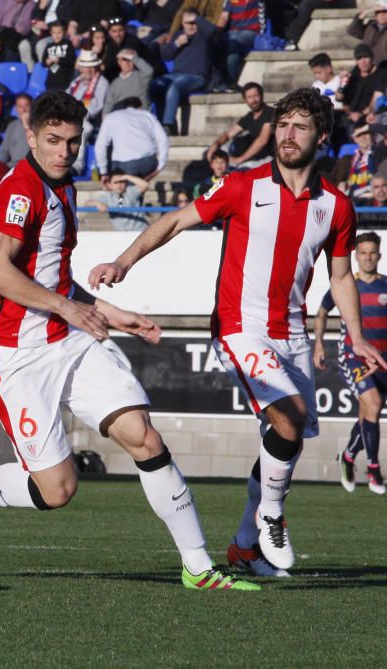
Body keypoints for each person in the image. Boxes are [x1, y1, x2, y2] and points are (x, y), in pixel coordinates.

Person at [0, 90, 257, 591]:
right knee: (57, 490)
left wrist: (108, 311)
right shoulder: (20, 191)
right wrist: (68, 307)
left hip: (69, 338)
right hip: (21, 356)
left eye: (72, 143)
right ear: (30, 136)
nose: (63, 152)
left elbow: (52, 279)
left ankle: (199, 568)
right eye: (52, 141)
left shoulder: (64, 185)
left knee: (142, 435)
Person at [88, 88, 387, 578]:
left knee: (283, 438)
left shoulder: (336, 206)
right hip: (239, 327)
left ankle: (245, 546)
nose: (288, 135)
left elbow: (341, 276)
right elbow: (176, 221)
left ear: (322, 137)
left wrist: (354, 337)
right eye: (283, 124)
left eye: (300, 126)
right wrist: (124, 261)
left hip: (289, 332)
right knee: (288, 422)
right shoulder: (242, 185)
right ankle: (272, 515)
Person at [313, 232, 387, 496]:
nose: (368, 257)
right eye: (363, 252)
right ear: (356, 255)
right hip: (353, 357)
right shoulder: (346, 285)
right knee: (374, 404)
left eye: (372, 252)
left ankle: (347, 455)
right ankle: (374, 469)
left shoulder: (385, 286)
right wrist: (319, 343)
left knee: (369, 413)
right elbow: (321, 313)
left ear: (379, 254)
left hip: (382, 361)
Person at [151, 9, 215, 136]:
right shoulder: (178, 35)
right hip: (175, 75)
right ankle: (160, 122)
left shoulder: (204, 35)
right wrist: (176, 44)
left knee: (175, 86)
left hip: (196, 76)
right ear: (182, 23)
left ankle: (168, 125)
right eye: (187, 23)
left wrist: (197, 19)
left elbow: (213, 30)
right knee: (155, 84)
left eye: (193, 23)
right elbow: (165, 56)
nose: (191, 26)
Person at [95, 97, 168, 180]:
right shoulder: (148, 115)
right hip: (148, 162)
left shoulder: (111, 117)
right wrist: (161, 164)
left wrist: (103, 171)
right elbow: (163, 139)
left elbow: (100, 146)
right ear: (140, 107)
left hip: (122, 165)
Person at [205, 82, 274, 169]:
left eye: (255, 95)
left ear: (261, 96)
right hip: (254, 157)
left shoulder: (270, 113)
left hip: (269, 158)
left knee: (240, 169)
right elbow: (228, 134)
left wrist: (240, 159)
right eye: (249, 97)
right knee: (221, 148)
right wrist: (215, 145)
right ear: (245, 100)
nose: (253, 100)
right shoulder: (250, 116)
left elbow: (262, 140)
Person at [0, 94, 31, 165]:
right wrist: (0, 166)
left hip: (29, 166)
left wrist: (26, 123)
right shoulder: (12, 125)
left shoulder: (39, 125)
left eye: (27, 106)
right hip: (12, 166)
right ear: (16, 108)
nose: (24, 110)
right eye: (20, 107)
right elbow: (4, 150)